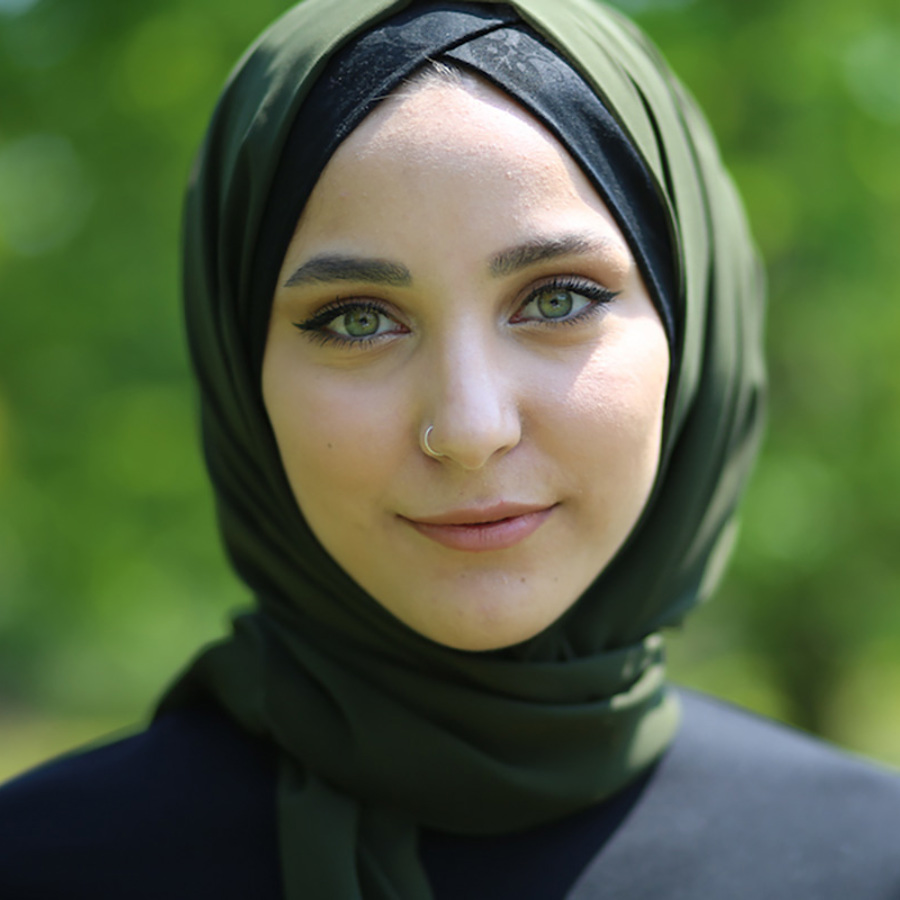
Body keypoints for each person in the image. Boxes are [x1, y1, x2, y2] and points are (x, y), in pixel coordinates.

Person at [1, 0, 899, 898]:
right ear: (241, 371)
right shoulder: (43, 863)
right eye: (357, 320)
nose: (469, 429)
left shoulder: (871, 860)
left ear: (693, 325)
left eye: (557, 299)